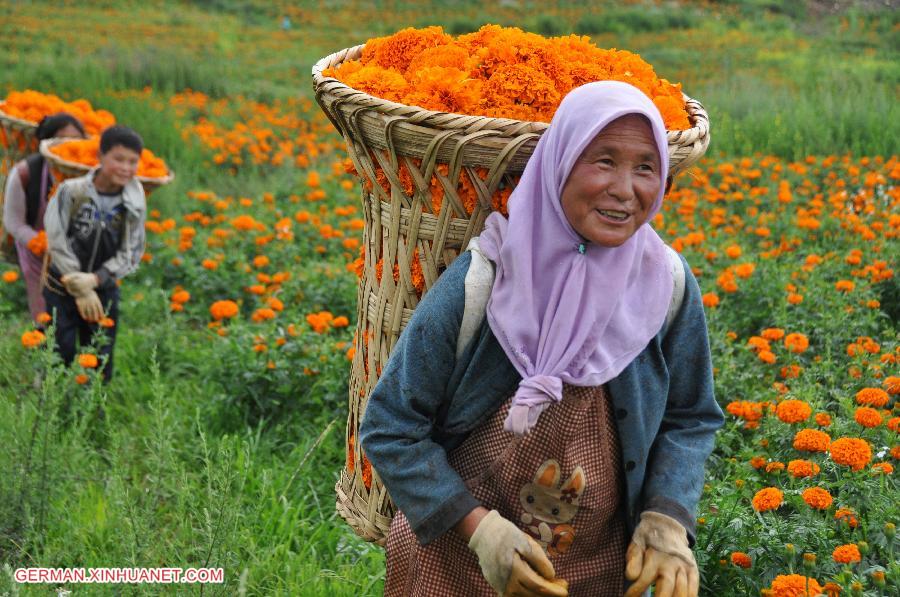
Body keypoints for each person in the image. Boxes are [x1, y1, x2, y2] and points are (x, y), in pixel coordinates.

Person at [360, 81, 725, 596]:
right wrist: (480, 530)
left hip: (597, 565)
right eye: (603, 160)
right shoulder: (483, 282)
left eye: (646, 167)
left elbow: (691, 417)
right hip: (458, 562)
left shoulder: (665, 285)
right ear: (559, 163)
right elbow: (390, 427)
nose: (626, 189)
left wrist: (666, 517)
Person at [43, 125, 146, 382]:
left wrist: (95, 280)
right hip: (62, 285)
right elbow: (56, 238)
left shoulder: (134, 199)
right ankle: (55, 407)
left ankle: (92, 414)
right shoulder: (72, 190)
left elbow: (131, 250)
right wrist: (79, 284)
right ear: (100, 156)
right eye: (118, 159)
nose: (125, 168)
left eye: (133, 162)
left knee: (100, 352)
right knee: (60, 348)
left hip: (103, 287)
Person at [2, 113, 86, 326]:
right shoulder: (25, 172)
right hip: (36, 249)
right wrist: (41, 243)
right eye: (61, 140)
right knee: (44, 307)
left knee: (80, 304)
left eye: (76, 140)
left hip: (77, 249)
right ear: (44, 144)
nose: (69, 146)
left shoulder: (89, 173)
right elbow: (13, 221)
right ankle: (43, 343)